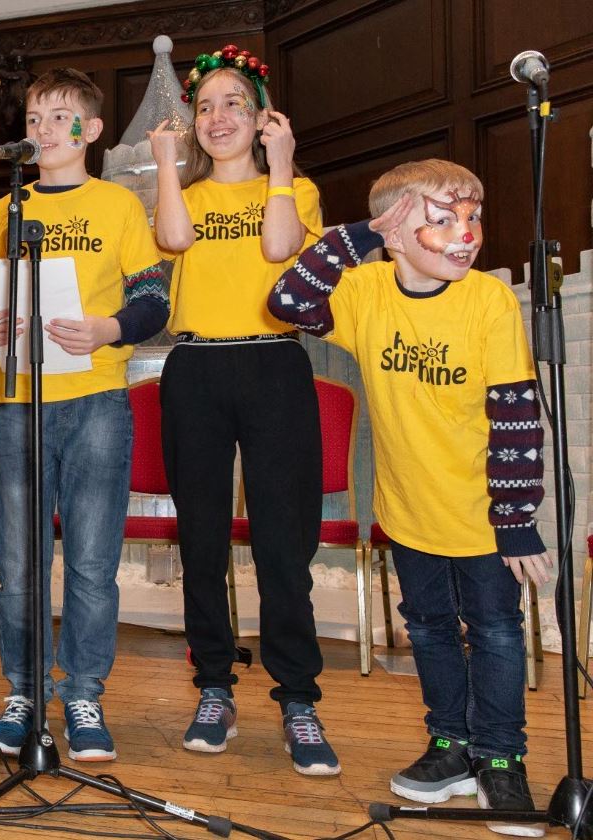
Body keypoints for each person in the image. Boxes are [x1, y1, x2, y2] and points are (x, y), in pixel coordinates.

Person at [269, 159, 549, 835]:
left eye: (473, 217)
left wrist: (514, 520)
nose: (466, 233)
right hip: (407, 508)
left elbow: (514, 412)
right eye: (443, 219)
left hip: (480, 513)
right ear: (393, 235)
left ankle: (501, 758)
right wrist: (358, 235)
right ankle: (450, 746)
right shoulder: (366, 289)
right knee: (426, 629)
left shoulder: (487, 300)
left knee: (496, 633)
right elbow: (288, 302)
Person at [149, 45, 339, 775]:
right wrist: (167, 166)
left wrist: (283, 166)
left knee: (281, 541)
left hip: (273, 361)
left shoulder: (298, 189)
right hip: (194, 365)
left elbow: (282, 246)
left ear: (262, 117)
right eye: (205, 107)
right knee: (200, 535)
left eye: (234, 103)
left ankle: (298, 698)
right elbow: (171, 241)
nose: (218, 116)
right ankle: (215, 686)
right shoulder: (186, 196)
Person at [0, 68, 168, 762]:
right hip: (19, 403)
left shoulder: (117, 206)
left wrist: (109, 329)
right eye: (33, 117)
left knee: (90, 562)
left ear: (89, 129)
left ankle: (82, 693)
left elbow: (154, 301)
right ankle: (22, 693)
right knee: (19, 566)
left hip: (96, 401)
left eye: (59, 117)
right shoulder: (6, 210)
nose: (43, 129)